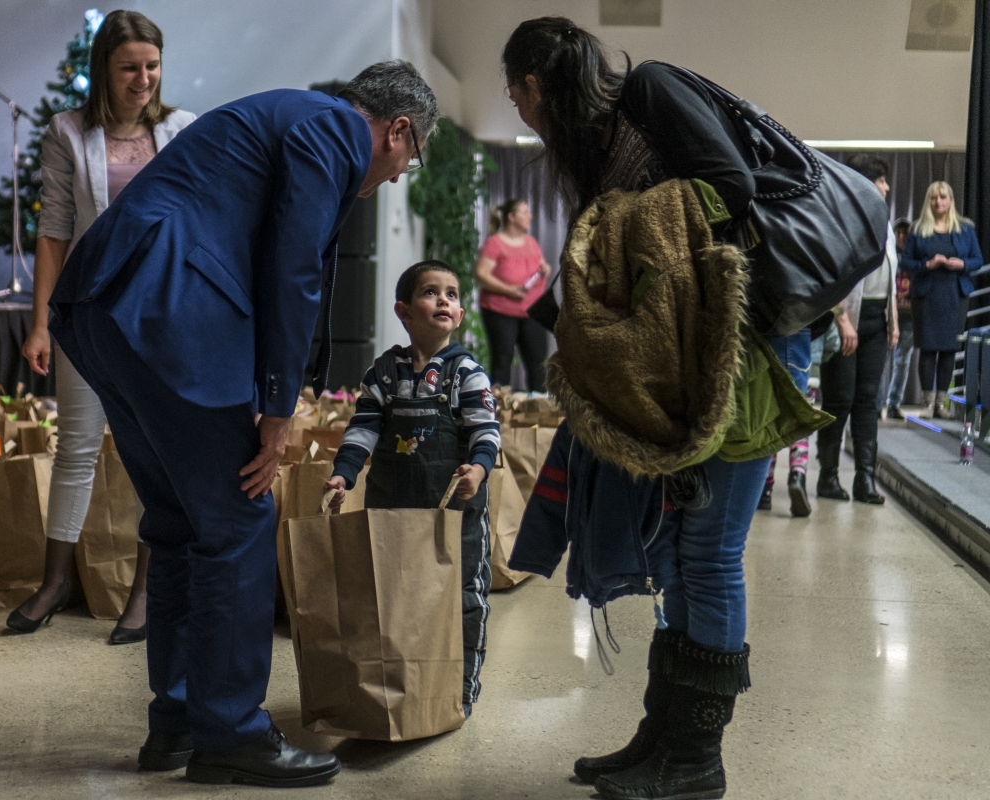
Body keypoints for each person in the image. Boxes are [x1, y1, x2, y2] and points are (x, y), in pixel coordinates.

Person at [47, 60, 437, 787]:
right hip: (165, 304)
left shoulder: (294, 115)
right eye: (406, 161)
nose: (393, 177)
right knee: (239, 519)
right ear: (398, 129)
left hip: (106, 303)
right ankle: (230, 731)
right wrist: (279, 407)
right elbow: (292, 266)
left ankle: (177, 722)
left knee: (179, 521)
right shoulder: (335, 129)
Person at [499, 18, 826, 800]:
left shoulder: (649, 91)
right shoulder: (600, 152)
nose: (521, 113)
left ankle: (697, 760)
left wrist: (624, 232)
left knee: (708, 556)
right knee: (679, 554)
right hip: (687, 362)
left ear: (535, 85)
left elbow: (732, 188)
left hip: (739, 355)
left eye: (516, 97)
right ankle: (663, 737)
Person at [11, 11, 195, 670]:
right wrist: (41, 322)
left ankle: (143, 593)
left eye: (152, 66)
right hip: (87, 313)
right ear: (102, 70)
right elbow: (55, 230)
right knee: (76, 449)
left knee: (152, 453)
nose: (143, 79)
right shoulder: (68, 131)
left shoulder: (181, 129)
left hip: (158, 318)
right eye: (128, 68)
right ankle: (54, 582)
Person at [324, 260, 501, 719]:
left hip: (454, 514)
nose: (444, 300)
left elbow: (486, 432)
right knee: (395, 597)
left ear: (459, 315)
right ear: (403, 311)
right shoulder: (383, 373)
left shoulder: (467, 372)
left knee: (461, 596)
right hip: (392, 512)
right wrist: (344, 474)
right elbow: (363, 429)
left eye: (452, 295)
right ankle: (402, 685)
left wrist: (479, 470)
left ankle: (460, 690)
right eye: (430, 292)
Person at [816, 155, 898, 505]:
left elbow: (890, 276)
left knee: (867, 401)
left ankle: (866, 477)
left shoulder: (886, 223)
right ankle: (828, 475)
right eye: (880, 180)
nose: (886, 187)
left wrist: (893, 321)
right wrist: (841, 318)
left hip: (877, 321)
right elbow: (829, 274)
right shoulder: (842, 219)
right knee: (840, 398)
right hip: (846, 321)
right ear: (864, 182)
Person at [900, 181, 984, 419]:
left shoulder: (965, 228)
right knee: (928, 349)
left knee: (949, 349)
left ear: (951, 201)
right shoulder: (918, 229)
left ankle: (940, 404)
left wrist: (961, 264)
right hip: (926, 296)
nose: (938, 202)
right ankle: (927, 404)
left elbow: (977, 259)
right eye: (934, 198)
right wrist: (927, 264)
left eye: (943, 197)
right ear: (929, 201)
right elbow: (906, 262)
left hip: (955, 296)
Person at [476, 199, 552, 390]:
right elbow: (481, 275)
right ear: (511, 217)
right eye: (524, 212)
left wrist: (545, 268)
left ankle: (537, 405)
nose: (529, 216)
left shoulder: (531, 242)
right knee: (502, 363)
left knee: (539, 365)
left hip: (532, 311)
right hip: (500, 311)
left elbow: (540, 265)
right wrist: (508, 290)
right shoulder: (494, 243)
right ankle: (498, 406)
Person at [884, 218, 915, 419]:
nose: (902, 236)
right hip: (887, 314)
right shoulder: (887, 255)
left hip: (909, 316)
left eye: (906, 233)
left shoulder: (917, 257)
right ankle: (875, 405)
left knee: (902, 362)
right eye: (899, 233)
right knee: (881, 361)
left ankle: (893, 404)